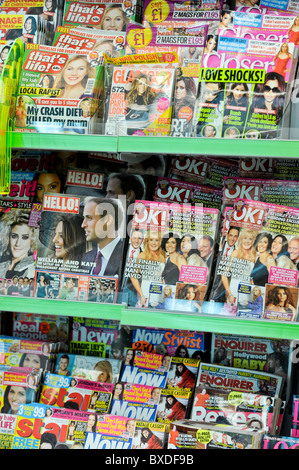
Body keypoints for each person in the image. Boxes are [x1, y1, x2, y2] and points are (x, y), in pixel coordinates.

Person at [81, 196, 124, 277]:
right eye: (84, 218)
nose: (83, 225)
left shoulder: (127, 258)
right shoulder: (86, 257)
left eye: (89, 218)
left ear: (108, 220)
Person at [129, 231, 166, 308]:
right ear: (147, 241)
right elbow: (133, 276)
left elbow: (163, 277)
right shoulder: (143, 255)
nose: (154, 243)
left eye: (156, 240)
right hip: (145, 296)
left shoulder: (163, 255)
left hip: (159, 296)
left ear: (160, 242)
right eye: (151, 240)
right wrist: (141, 295)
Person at [221, 228, 258, 306]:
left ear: (253, 241)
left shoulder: (254, 255)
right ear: (241, 239)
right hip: (234, 291)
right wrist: (230, 294)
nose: (247, 241)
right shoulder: (235, 253)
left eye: (250, 239)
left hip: (247, 292)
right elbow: (224, 275)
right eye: (245, 238)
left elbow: (252, 278)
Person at [0, 209, 38, 282]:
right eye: (14, 236)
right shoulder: (1, 265)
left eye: (25, 237)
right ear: (8, 237)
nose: (18, 243)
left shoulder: (33, 268)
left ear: (32, 240)